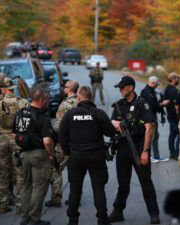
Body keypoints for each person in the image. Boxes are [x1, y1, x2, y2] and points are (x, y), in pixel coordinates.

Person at [59, 86, 116, 225]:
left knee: (75, 190)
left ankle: (73, 221)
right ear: (91, 97)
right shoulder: (99, 113)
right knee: (98, 189)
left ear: (78, 98)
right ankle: (102, 220)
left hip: (76, 157)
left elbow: (62, 136)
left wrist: (69, 152)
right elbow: (110, 132)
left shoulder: (70, 114)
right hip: (96, 156)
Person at [109, 76, 160, 224]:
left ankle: (154, 214)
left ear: (131, 87)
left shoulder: (142, 104)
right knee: (123, 184)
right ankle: (118, 212)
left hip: (138, 147)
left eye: (122, 87)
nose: (120, 89)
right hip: (123, 148)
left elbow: (149, 128)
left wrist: (145, 151)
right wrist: (113, 122)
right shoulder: (119, 105)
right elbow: (112, 124)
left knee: (146, 183)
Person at [13, 83, 55, 225]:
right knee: (39, 189)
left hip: (24, 154)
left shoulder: (20, 113)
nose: (49, 101)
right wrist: (51, 155)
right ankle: (35, 219)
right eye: (48, 98)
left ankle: (25, 219)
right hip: (39, 155)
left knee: (26, 187)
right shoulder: (43, 117)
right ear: (42, 99)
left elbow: (15, 132)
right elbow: (47, 141)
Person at [0, 77, 29, 213]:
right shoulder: (23, 103)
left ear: (3, 89)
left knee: (2, 172)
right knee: (20, 173)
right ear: (12, 88)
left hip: (2, 140)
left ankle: (3, 204)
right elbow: (28, 122)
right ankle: (20, 206)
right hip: (18, 139)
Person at [45, 80, 79, 208]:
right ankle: (75, 198)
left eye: (65, 86)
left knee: (56, 169)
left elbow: (58, 125)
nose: (63, 88)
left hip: (64, 143)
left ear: (70, 89)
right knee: (75, 172)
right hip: (78, 143)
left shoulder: (65, 104)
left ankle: (56, 198)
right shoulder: (80, 102)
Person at [140, 76, 169, 163]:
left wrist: (160, 103)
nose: (156, 86)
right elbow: (151, 106)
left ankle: (156, 156)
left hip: (152, 117)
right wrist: (162, 104)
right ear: (152, 83)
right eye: (156, 85)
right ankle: (150, 156)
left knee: (155, 136)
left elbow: (154, 104)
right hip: (149, 118)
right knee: (151, 137)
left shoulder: (151, 91)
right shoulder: (146, 92)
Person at [163, 73, 180, 160]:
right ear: (174, 78)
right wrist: (178, 114)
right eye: (178, 78)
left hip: (170, 114)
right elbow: (175, 104)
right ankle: (176, 154)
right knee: (179, 133)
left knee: (172, 134)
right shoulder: (173, 90)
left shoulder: (168, 88)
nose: (179, 80)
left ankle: (172, 153)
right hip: (174, 115)